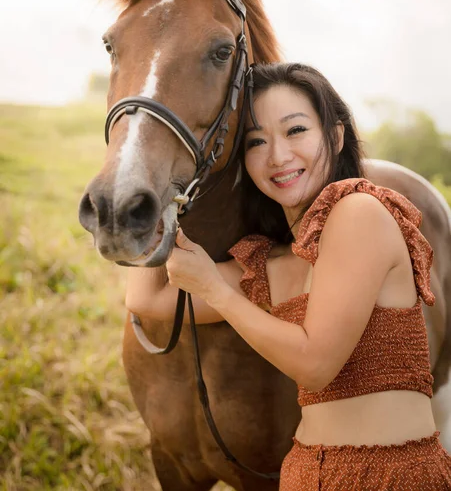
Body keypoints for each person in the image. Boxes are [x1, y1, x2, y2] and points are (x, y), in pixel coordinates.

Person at [126, 63, 451, 490]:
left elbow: (315, 365)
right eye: (256, 141)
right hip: (305, 476)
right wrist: (151, 181)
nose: (277, 156)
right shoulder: (280, 263)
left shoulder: (360, 212)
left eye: (295, 130)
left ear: (335, 137)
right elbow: (148, 302)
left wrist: (214, 289)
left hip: (385, 478)